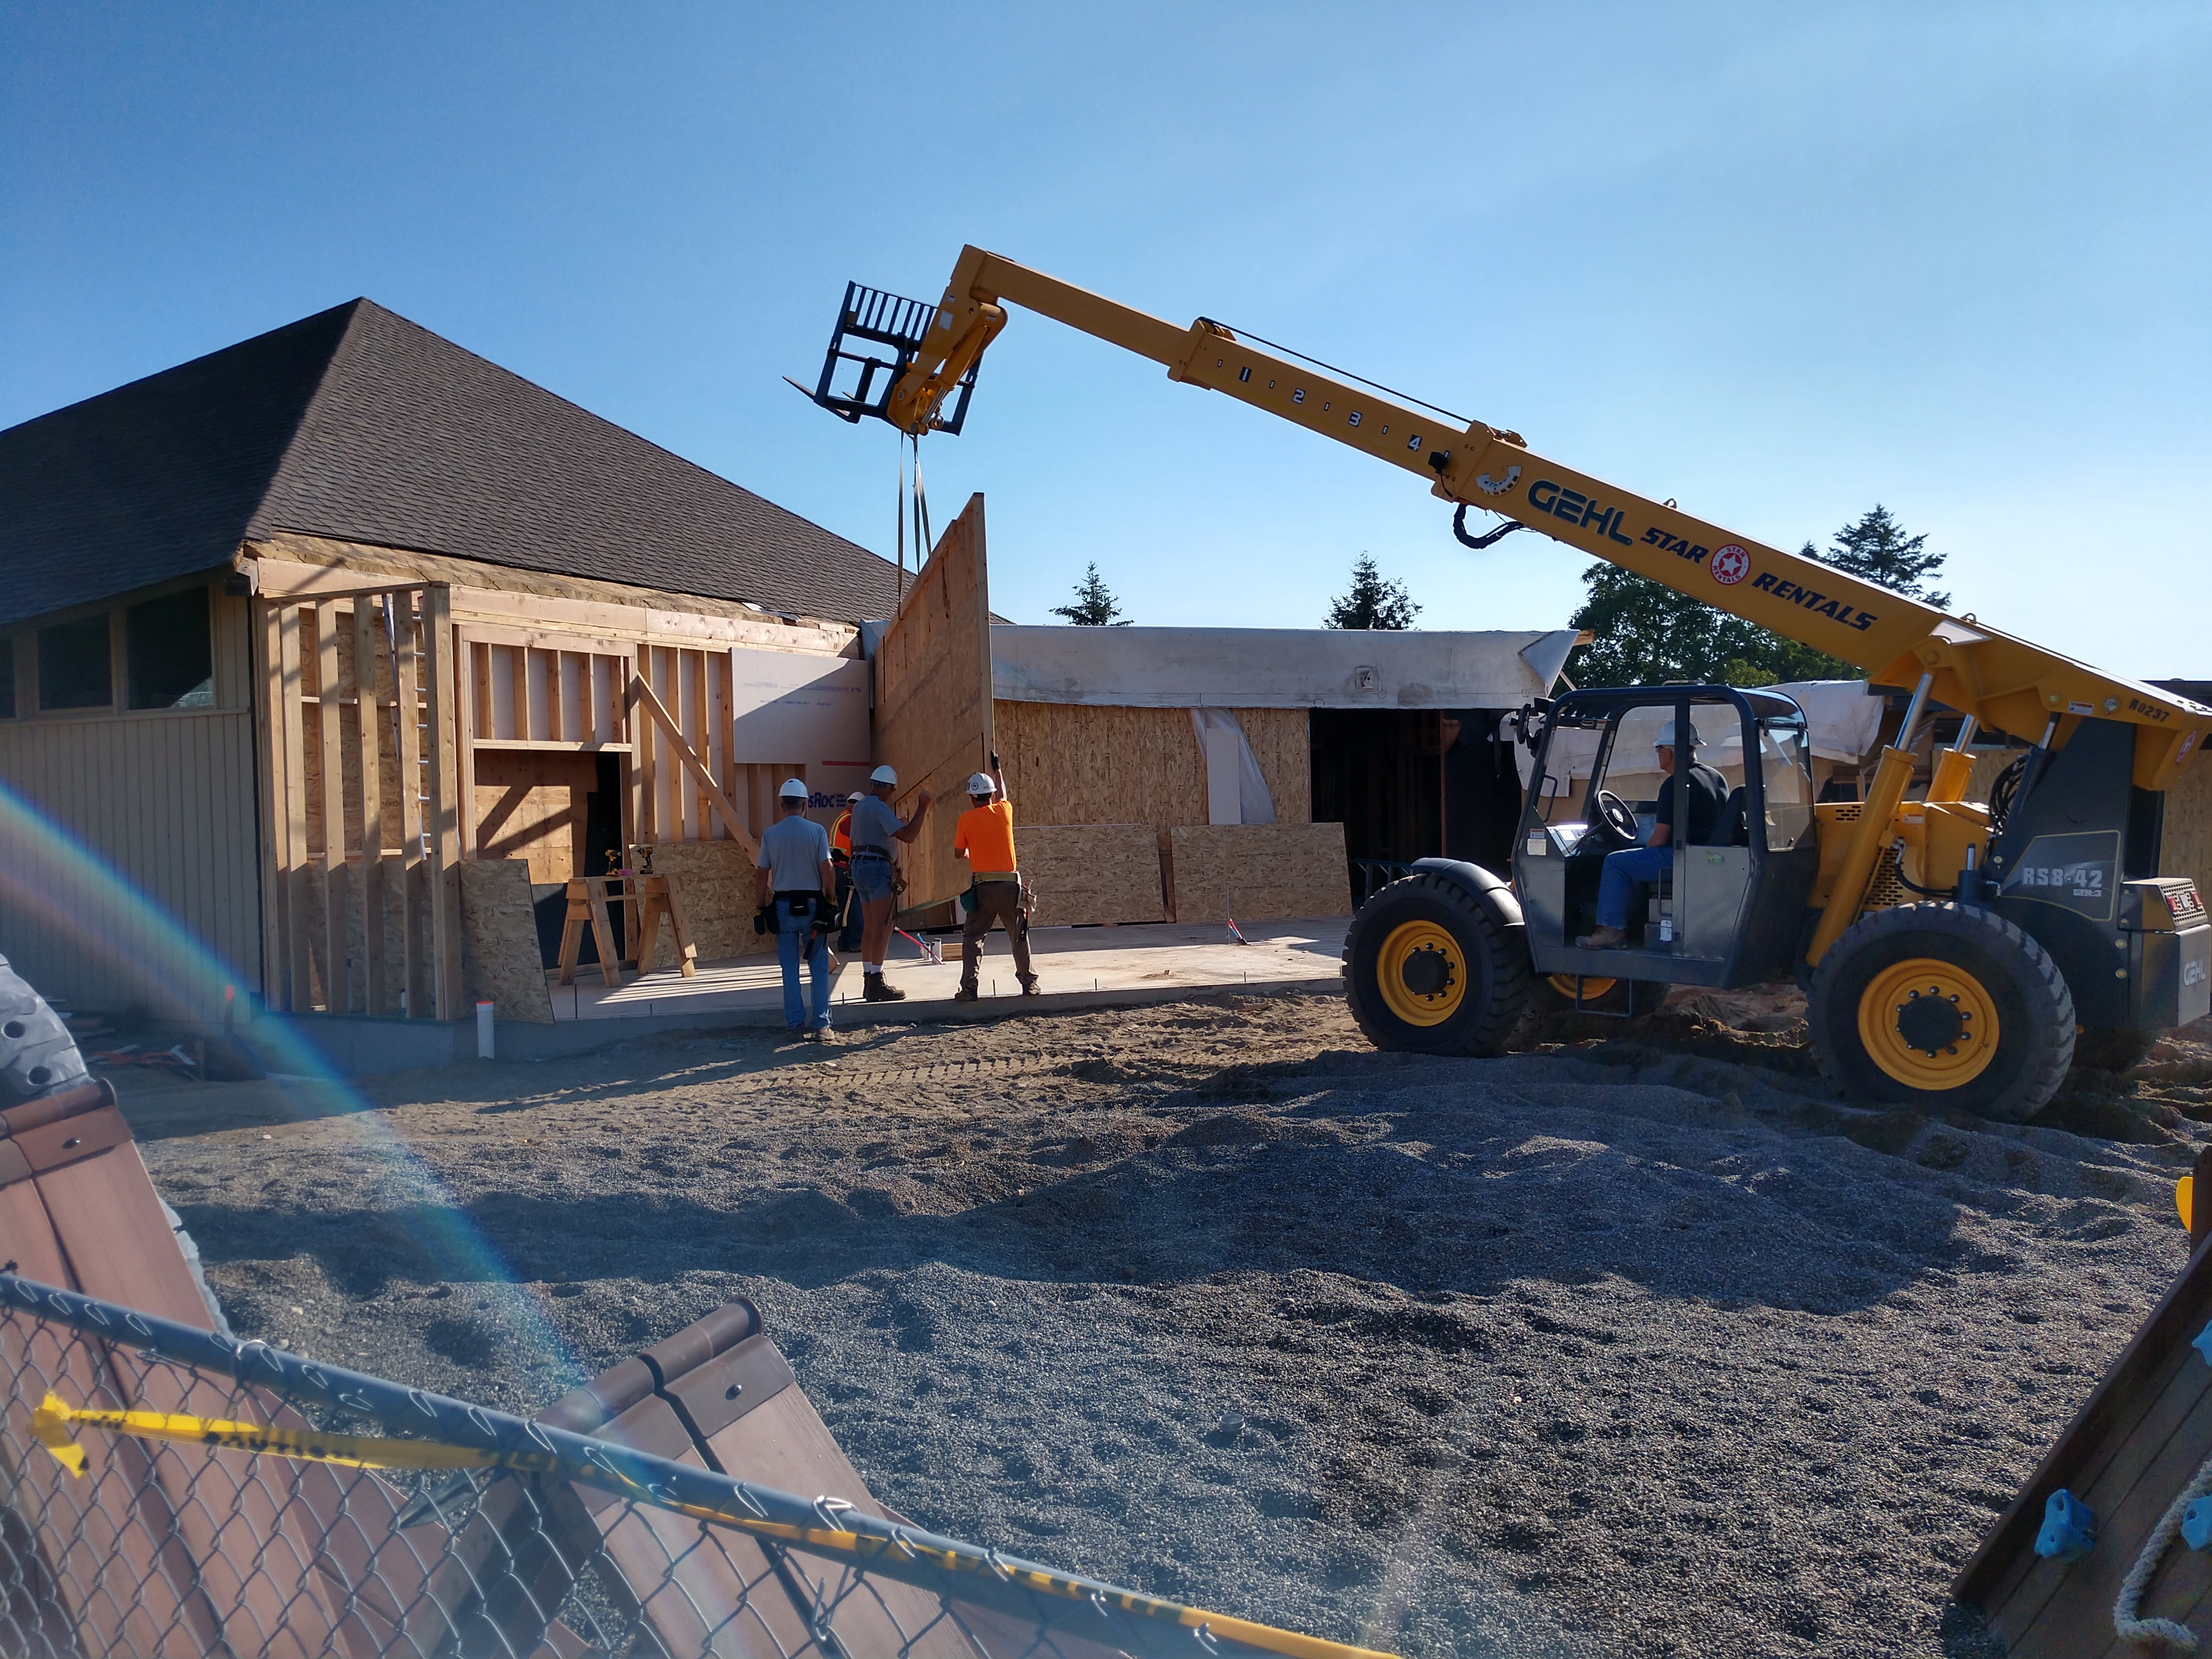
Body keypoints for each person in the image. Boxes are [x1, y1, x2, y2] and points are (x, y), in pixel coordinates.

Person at [1579, 722, 1729, 950]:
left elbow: (1659, 838)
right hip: (1707, 855)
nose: (1657, 754)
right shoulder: (1715, 777)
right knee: (1633, 860)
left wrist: (1642, 854)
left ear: (1670, 751)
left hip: (1681, 857)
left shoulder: (1674, 784)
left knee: (1616, 862)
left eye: (1659, 748)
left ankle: (1612, 930)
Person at [754, 777, 837, 1039]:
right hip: (812, 905)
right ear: (805, 804)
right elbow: (828, 868)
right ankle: (822, 1025)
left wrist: (761, 906)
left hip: (783, 906)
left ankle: (795, 1026)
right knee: (819, 966)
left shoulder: (771, 834)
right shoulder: (817, 832)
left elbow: (761, 873)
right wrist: (830, 898)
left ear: (782, 805)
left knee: (789, 969)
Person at [951, 752, 1036, 1001]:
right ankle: (1029, 984)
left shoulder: (965, 820)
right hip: (1011, 886)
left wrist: (970, 852)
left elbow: (959, 853)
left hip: (984, 887)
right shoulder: (1005, 811)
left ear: (971, 798)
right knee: (1019, 935)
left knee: (973, 939)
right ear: (991, 796)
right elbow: (1004, 794)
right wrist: (997, 769)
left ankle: (969, 988)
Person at [849, 763, 932, 1001]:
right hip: (877, 868)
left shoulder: (861, 807)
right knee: (884, 926)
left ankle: (868, 980)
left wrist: (895, 822)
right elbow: (909, 836)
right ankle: (876, 982)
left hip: (859, 866)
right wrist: (923, 807)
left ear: (873, 783)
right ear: (891, 788)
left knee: (870, 926)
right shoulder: (879, 807)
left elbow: (873, 832)